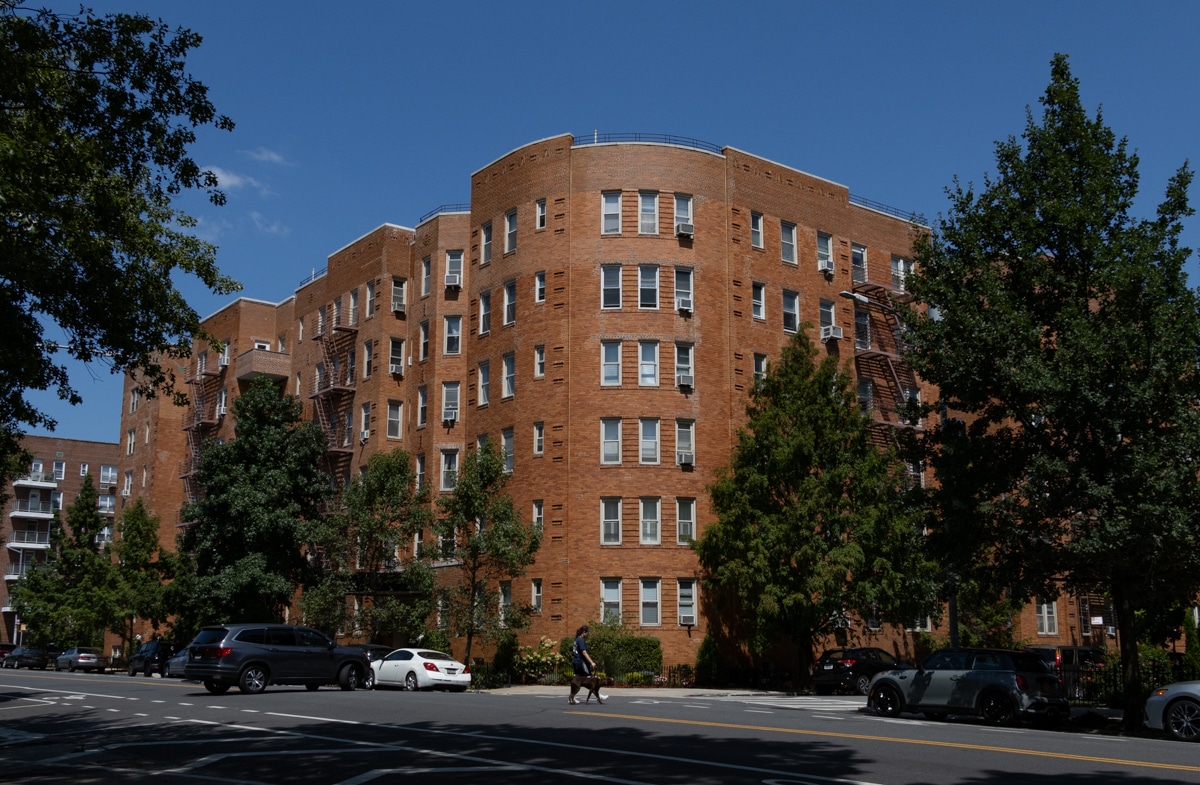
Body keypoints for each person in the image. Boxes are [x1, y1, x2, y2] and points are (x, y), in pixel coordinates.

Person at [570, 625, 607, 704]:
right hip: (581, 662)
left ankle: (572, 697)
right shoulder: (581, 640)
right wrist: (591, 662)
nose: (588, 634)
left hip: (576, 662)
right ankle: (599, 696)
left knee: (575, 680)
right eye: (588, 633)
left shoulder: (576, 640)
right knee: (591, 680)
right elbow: (584, 652)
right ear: (584, 632)